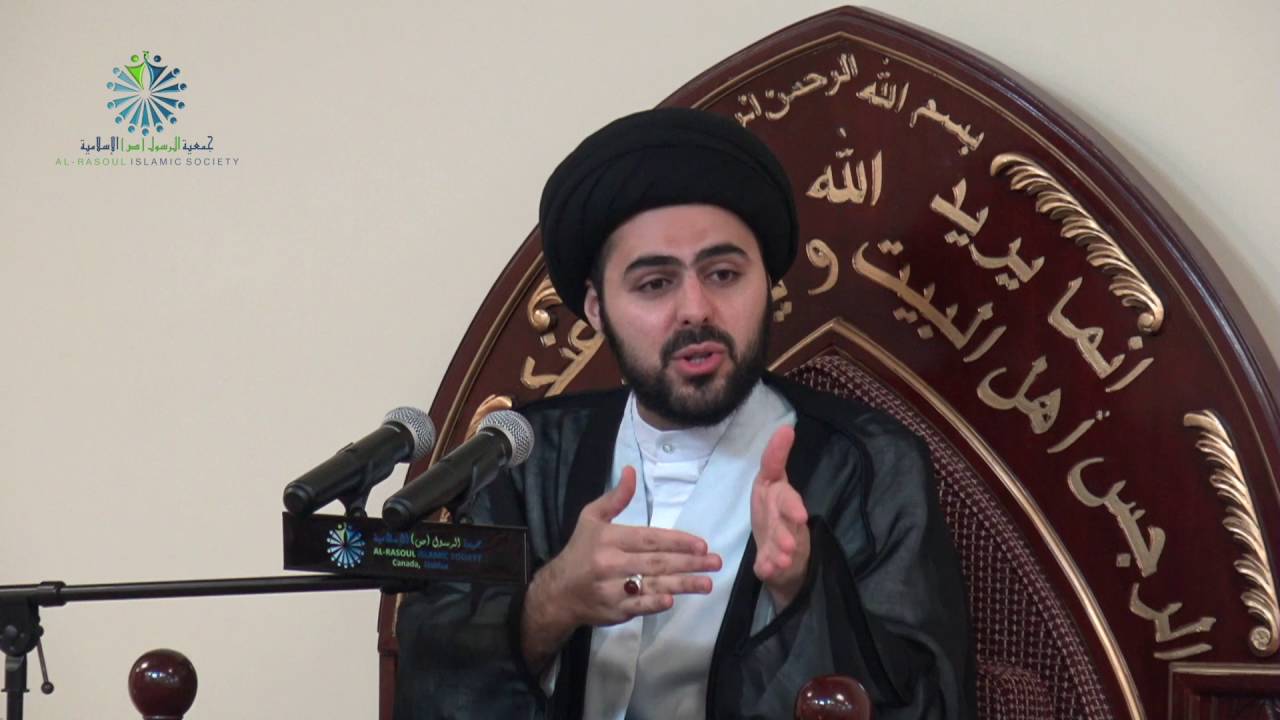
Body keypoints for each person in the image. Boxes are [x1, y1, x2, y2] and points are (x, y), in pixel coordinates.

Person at [394, 108, 975, 719]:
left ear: (767, 285)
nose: (695, 309)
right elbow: (433, 672)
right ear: (596, 309)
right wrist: (553, 600)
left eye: (723, 274)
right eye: (654, 284)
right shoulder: (527, 458)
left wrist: (803, 589)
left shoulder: (866, 465)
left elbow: (932, 702)